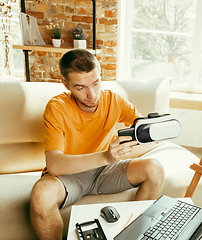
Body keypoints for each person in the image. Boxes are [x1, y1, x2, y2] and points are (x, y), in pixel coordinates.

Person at [30, 49, 165, 240]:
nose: (92, 94)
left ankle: (134, 236)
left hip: (106, 171)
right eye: (80, 87)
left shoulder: (114, 100)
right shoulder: (57, 108)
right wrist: (106, 156)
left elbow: (142, 125)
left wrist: (155, 128)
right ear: (65, 84)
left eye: (95, 83)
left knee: (155, 168)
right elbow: (54, 164)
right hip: (68, 177)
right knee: (41, 195)